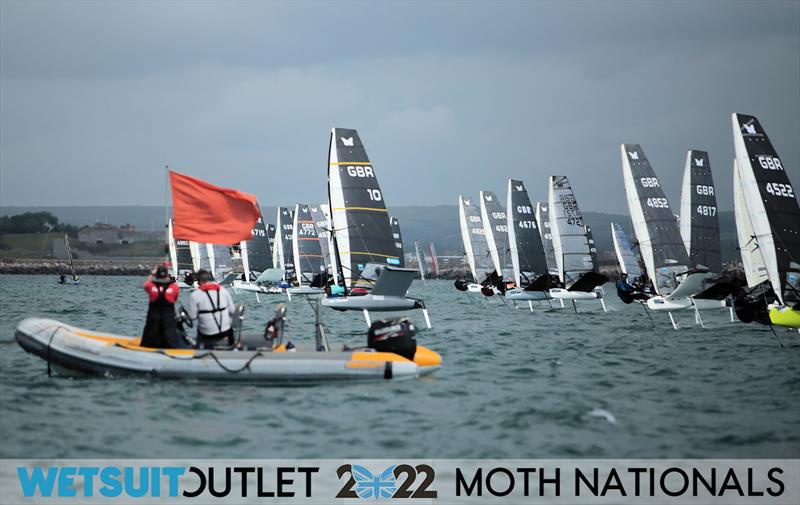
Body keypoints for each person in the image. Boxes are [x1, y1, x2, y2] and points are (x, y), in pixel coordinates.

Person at [187, 269, 237, 348]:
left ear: (200, 281)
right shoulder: (223, 290)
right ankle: (233, 348)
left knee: (199, 333)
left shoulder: (195, 295)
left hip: (206, 333)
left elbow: (192, 317)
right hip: (225, 331)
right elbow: (232, 311)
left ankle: (198, 351)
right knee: (229, 327)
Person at [141, 264, 185, 348]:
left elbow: (146, 284)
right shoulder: (174, 287)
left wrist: (152, 274)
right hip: (168, 322)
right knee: (171, 335)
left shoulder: (150, 286)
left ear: (156, 275)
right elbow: (174, 299)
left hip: (153, 321)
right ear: (167, 275)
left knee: (149, 333)